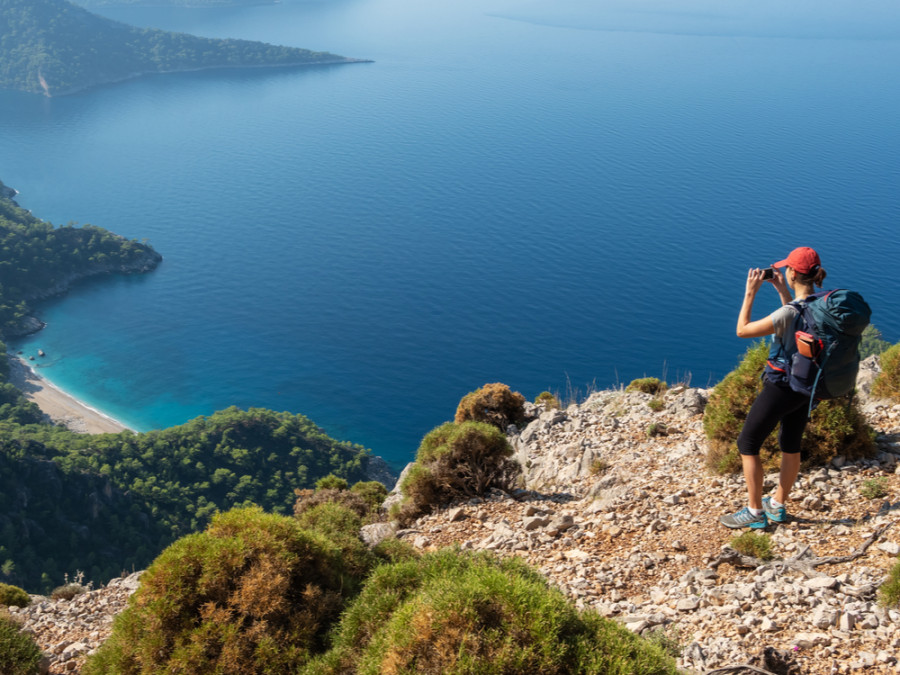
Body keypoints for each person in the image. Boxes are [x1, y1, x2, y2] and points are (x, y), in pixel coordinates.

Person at [720, 246, 827, 529]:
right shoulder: (820, 303)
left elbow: (743, 330)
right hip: (807, 384)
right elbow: (796, 316)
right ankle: (777, 505)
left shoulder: (790, 312)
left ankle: (755, 512)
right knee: (790, 443)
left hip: (782, 385)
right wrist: (783, 292)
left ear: (792, 272)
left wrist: (750, 292)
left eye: (786, 270)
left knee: (748, 443)